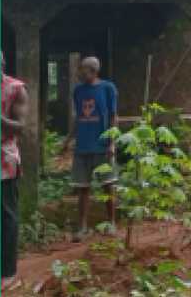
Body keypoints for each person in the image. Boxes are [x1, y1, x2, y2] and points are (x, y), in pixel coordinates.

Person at [62, 56, 118, 241]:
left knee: (108, 185)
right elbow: (79, 117)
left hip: (102, 146)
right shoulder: (78, 91)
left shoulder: (108, 88)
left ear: (93, 71)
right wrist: (68, 140)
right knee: (83, 188)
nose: (80, 73)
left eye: (83, 70)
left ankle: (111, 223)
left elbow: (113, 117)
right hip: (83, 147)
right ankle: (83, 227)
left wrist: (111, 142)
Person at [0, 53, 28, 291]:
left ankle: (8, 271)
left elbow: (21, 127)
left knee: (6, 216)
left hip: (4, 160)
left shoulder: (15, 89)